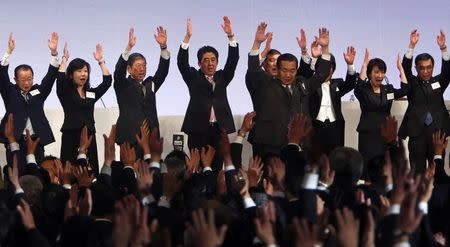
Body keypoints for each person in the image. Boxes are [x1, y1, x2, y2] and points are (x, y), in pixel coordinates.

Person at [248, 28, 332, 157]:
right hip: (271, 147)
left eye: (292, 70)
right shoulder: (266, 84)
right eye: (284, 70)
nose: (288, 74)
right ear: (278, 69)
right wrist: (257, 44)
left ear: (296, 70)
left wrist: (325, 49)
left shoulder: (301, 84)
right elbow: (253, 69)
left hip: (299, 145)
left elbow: (321, 74)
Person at [177, 17, 239, 173]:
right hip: (197, 130)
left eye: (213, 60)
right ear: (199, 63)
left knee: (217, 167)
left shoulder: (222, 77)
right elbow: (181, 63)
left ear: (217, 62)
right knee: (197, 169)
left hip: (219, 130)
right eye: (206, 60)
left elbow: (233, 60)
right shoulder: (193, 77)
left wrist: (230, 36)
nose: (210, 63)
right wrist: (187, 38)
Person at [0, 32, 60, 172]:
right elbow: (2, 76)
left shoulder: (38, 91)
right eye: (23, 80)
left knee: (37, 174)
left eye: (30, 79)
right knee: (16, 172)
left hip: (36, 140)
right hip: (16, 140)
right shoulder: (10, 91)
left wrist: (54, 53)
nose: (27, 83)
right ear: (15, 80)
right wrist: (8, 52)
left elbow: (50, 77)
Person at [298, 29, 358, 155]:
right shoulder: (311, 84)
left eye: (331, 68)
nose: (328, 71)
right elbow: (304, 75)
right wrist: (313, 59)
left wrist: (350, 65)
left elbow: (351, 83)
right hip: (315, 127)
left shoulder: (338, 83)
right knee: (316, 159)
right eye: (326, 67)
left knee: (336, 159)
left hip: (335, 127)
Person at [398, 29, 450, 173]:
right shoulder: (412, 82)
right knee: (417, 172)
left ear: (433, 67)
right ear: (417, 68)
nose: (426, 71)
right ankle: (418, 196)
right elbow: (405, 67)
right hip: (417, 132)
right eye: (422, 68)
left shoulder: (440, 81)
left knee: (437, 170)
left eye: (429, 68)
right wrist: (411, 46)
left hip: (437, 132)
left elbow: (448, 70)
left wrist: (443, 48)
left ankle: (438, 195)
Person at [114, 27, 170, 158]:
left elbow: (163, 71)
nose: (142, 69)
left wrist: (163, 47)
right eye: (138, 65)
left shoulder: (150, 84)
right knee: (129, 174)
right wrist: (128, 48)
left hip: (151, 137)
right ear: (129, 69)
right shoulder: (122, 84)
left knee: (150, 174)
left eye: (144, 65)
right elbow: (118, 72)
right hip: (130, 137)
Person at [57, 43, 112, 175]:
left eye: (86, 71)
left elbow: (107, 81)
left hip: (89, 136)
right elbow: (59, 78)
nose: (83, 74)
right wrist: (64, 58)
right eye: (79, 71)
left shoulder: (90, 94)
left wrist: (100, 61)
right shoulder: (65, 91)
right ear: (71, 74)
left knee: (90, 171)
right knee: (70, 172)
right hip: (71, 135)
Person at [355, 49, 409, 177]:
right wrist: (364, 65)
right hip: (368, 133)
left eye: (382, 72)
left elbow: (406, 89)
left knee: (385, 166)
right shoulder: (363, 90)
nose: (380, 75)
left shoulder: (388, 89)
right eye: (376, 72)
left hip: (386, 134)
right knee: (368, 167)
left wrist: (401, 69)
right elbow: (358, 86)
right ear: (369, 74)